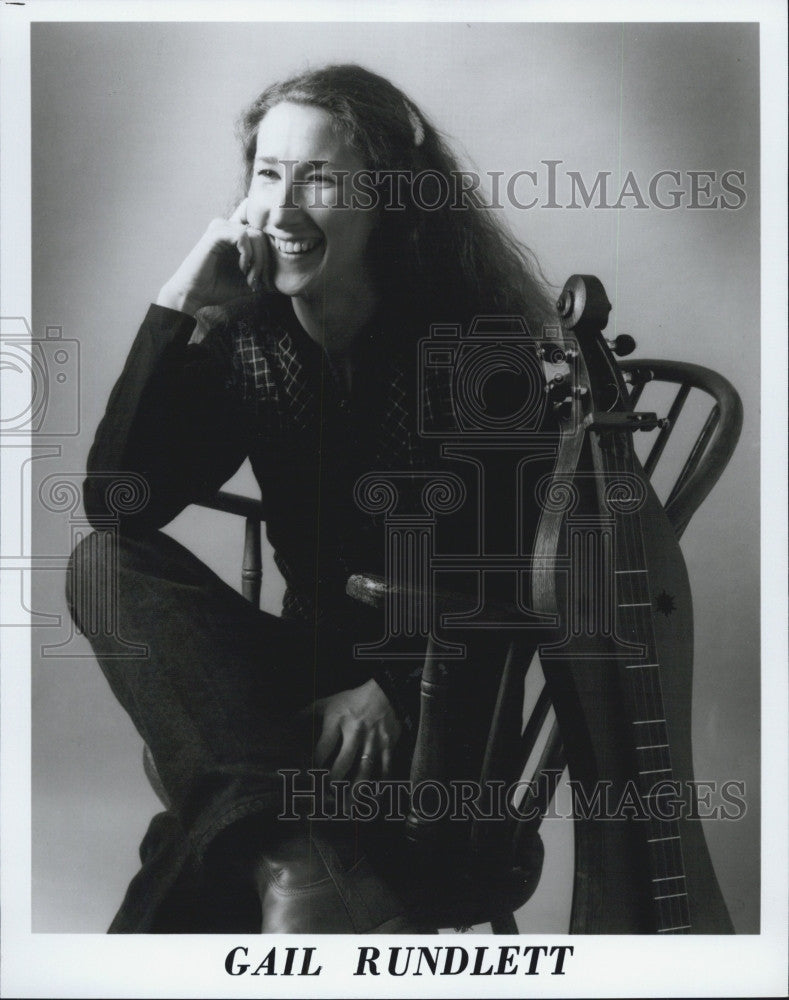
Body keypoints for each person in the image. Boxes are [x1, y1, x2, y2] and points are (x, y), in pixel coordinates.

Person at [67, 64, 556, 934]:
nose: (283, 209)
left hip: (440, 699)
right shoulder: (250, 337)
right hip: (295, 681)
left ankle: (265, 827)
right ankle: (301, 849)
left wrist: (390, 686)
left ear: (390, 201)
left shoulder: (478, 346)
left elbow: (508, 569)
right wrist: (175, 306)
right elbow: (117, 505)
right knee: (101, 563)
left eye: (320, 177)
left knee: (201, 839)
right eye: (267, 173)